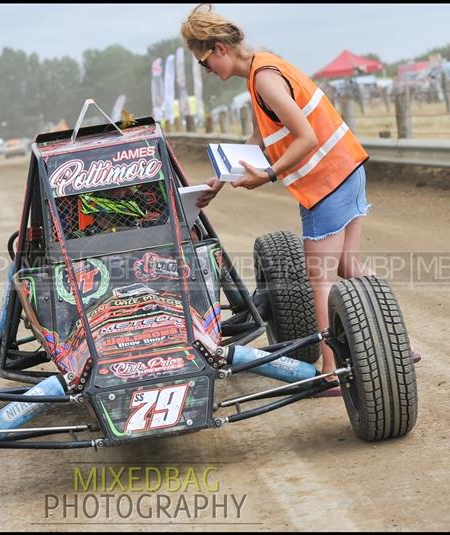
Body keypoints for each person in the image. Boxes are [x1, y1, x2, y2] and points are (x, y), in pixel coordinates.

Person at [182, 4, 417, 390]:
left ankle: (330, 374)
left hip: (325, 184)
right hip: (348, 169)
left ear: (220, 49)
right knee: (350, 268)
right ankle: (398, 346)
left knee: (318, 283)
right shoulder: (264, 68)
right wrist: (220, 180)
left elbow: (305, 136)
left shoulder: (264, 79)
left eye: (204, 63)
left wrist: (270, 175)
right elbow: (260, 139)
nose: (207, 72)